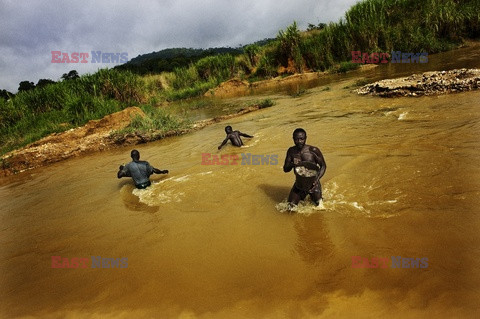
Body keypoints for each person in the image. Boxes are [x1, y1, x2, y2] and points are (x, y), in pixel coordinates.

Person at [283, 128, 326, 208]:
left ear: (306, 138)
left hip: (313, 184)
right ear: (293, 139)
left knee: (319, 207)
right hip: (299, 184)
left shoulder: (313, 150)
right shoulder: (291, 151)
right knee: (290, 208)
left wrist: (317, 179)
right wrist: (292, 164)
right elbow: (285, 169)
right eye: (296, 139)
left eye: (302, 139)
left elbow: (323, 166)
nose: (299, 141)